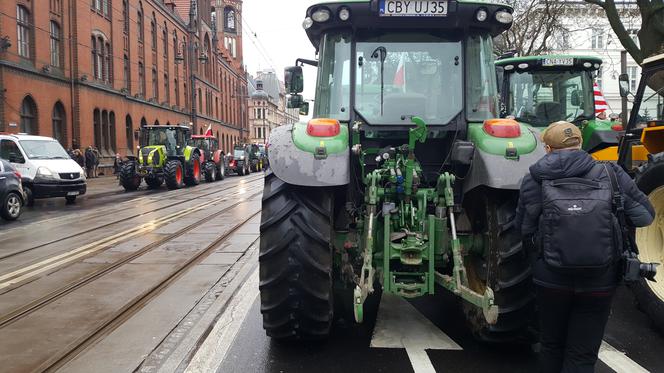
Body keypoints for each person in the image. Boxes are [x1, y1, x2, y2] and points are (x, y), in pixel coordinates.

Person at [515, 121, 654, 373]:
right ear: (581, 144)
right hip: (599, 280)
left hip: (550, 281)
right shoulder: (611, 173)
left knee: (551, 346)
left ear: (547, 148)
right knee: (582, 354)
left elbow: (523, 230)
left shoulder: (533, 180)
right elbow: (645, 216)